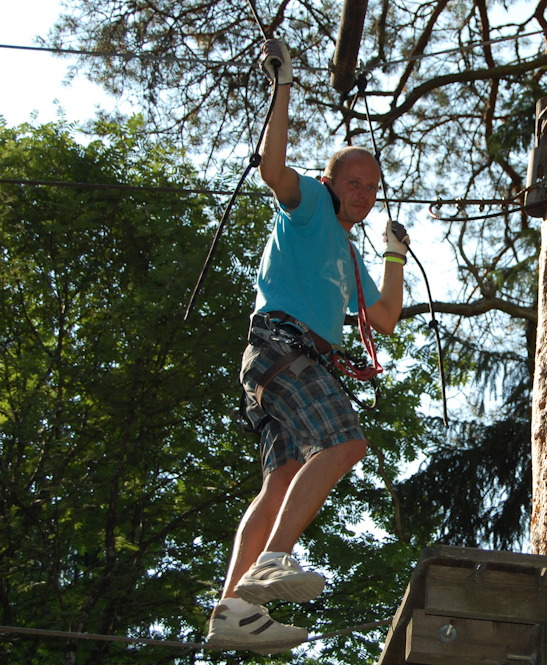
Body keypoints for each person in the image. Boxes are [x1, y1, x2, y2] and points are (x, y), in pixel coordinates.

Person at [206, 39, 410, 654]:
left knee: (282, 481)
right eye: (354, 182)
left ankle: (233, 607)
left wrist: (394, 254)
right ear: (331, 182)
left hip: (277, 364)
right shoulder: (310, 206)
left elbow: (385, 318)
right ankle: (273, 560)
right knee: (346, 443)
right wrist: (284, 87)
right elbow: (274, 172)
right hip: (282, 345)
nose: (363, 193)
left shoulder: (348, 253)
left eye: (372, 187)